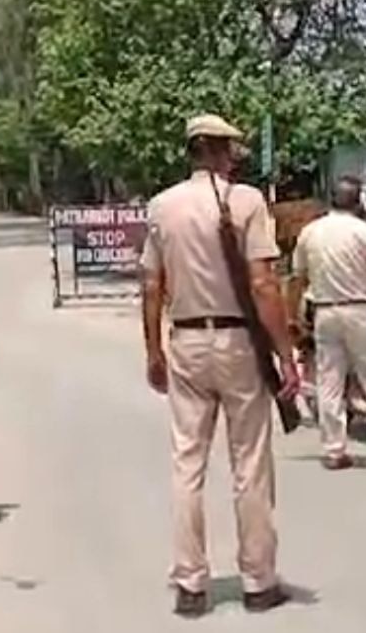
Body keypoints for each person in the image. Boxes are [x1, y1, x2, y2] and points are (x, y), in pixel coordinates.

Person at [140, 114, 299, 618]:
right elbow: (265, 285)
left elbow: (150, 286)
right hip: (238, 343)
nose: (235, 157)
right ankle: (258, 581)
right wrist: (285, 355)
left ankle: (190, 584)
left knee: (187, 464)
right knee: (249, 464)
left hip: (186, 339)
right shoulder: (247, 201)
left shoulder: (161, 206)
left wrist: (153, 351)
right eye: (231, 149)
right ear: (218, 150)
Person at [290, 177, 366, 475]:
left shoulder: (310, 232)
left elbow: (297, 279)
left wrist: (294, 315)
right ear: (359, 202)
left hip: (325, 313)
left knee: (329, 382)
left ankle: (334, 450)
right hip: (360, 311)